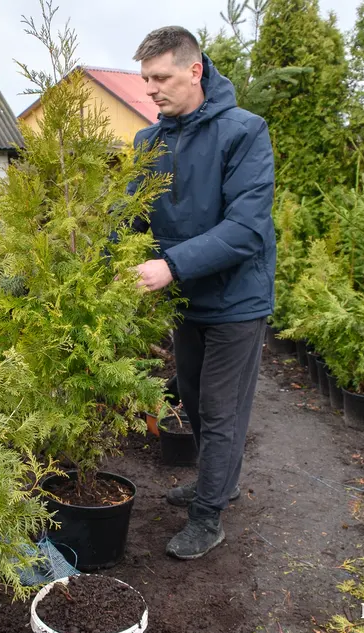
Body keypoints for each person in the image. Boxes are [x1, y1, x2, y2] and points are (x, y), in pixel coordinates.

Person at [130, 26, 276, 560]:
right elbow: (131, 220)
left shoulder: (244, 132)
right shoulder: (150, 143)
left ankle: (209, 514)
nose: (152, 89)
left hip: (237, 298)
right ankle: (218, 480)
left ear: (195, 71)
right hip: (187, 297)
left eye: (162, 77)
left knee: (220, 410)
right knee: (190, 396)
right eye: (146, 79)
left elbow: (245, 228)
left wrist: (170, 264)